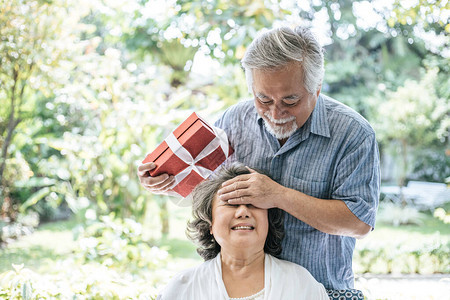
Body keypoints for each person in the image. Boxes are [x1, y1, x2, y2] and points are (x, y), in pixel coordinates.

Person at [138, 26, 380, 293]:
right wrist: (164, 179)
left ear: (317, 88)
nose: (276, 113)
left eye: (290, 100)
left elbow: (359, 223)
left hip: (322, 291)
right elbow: (206, 191)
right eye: (263, 98)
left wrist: (279, 195)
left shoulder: (353, 134)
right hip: (231, 288)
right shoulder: (233, 121)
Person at [157, 164, 328, 299]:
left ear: (269, 220)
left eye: (253, 204)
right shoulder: (182, 287)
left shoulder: (301, 283)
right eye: (231, 203)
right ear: (209, 224)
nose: (243, 212)